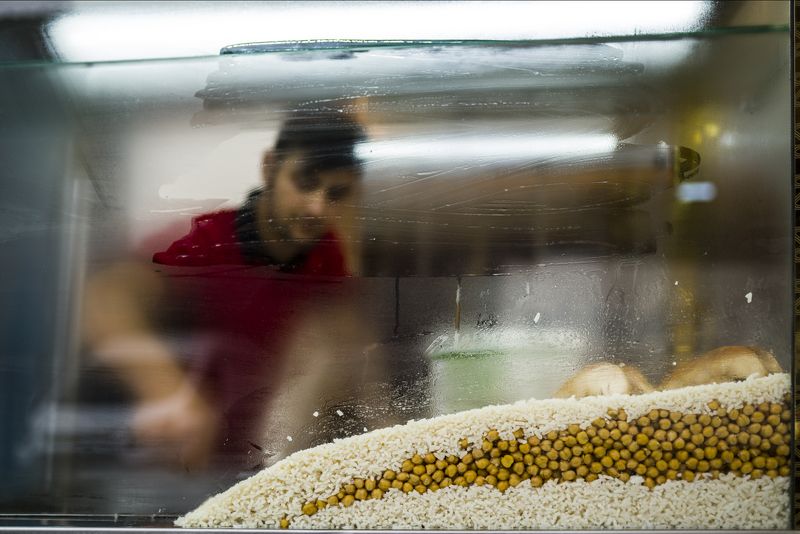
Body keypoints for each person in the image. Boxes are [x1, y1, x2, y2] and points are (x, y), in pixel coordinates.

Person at [82, 111, 376, 471]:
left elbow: (346, 348)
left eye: (336, 193)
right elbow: (105, 300)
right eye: (304, 182)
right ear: (270, 167)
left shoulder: (326, 255)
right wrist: (166, 390)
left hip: (264, 467)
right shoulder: (209, 238)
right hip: (174, 460)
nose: (317, 206)